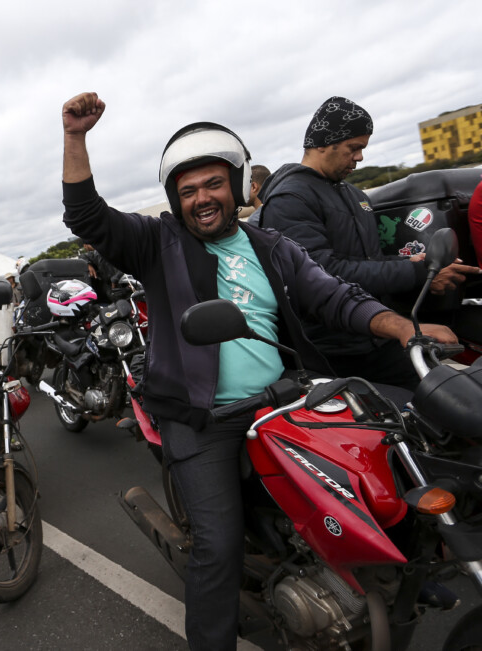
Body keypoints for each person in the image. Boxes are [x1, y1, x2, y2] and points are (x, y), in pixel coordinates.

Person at [60, 91, 456, 650]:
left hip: (285, 398)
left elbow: (335, 296)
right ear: (175, 199)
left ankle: (399, 574)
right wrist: (75, 138)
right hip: (205, 419)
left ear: (239, 184)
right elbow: (85, 215)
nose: (202, 198)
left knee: (397, 460)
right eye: (189, 189)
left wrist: (404, 329)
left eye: (213, 184)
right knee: (217, 548)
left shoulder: (271, 245)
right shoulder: (156, 244)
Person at [256, 96, 481, 389]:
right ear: (324, 142)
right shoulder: (291, 198)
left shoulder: (356, 196)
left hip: (376, 336)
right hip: (334, 350)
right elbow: (321, 274)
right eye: (354, 148)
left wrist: (420, 267)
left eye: (362, 148)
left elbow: (370, 261)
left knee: (449, 397)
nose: (360, 157)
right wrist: (417, 271)